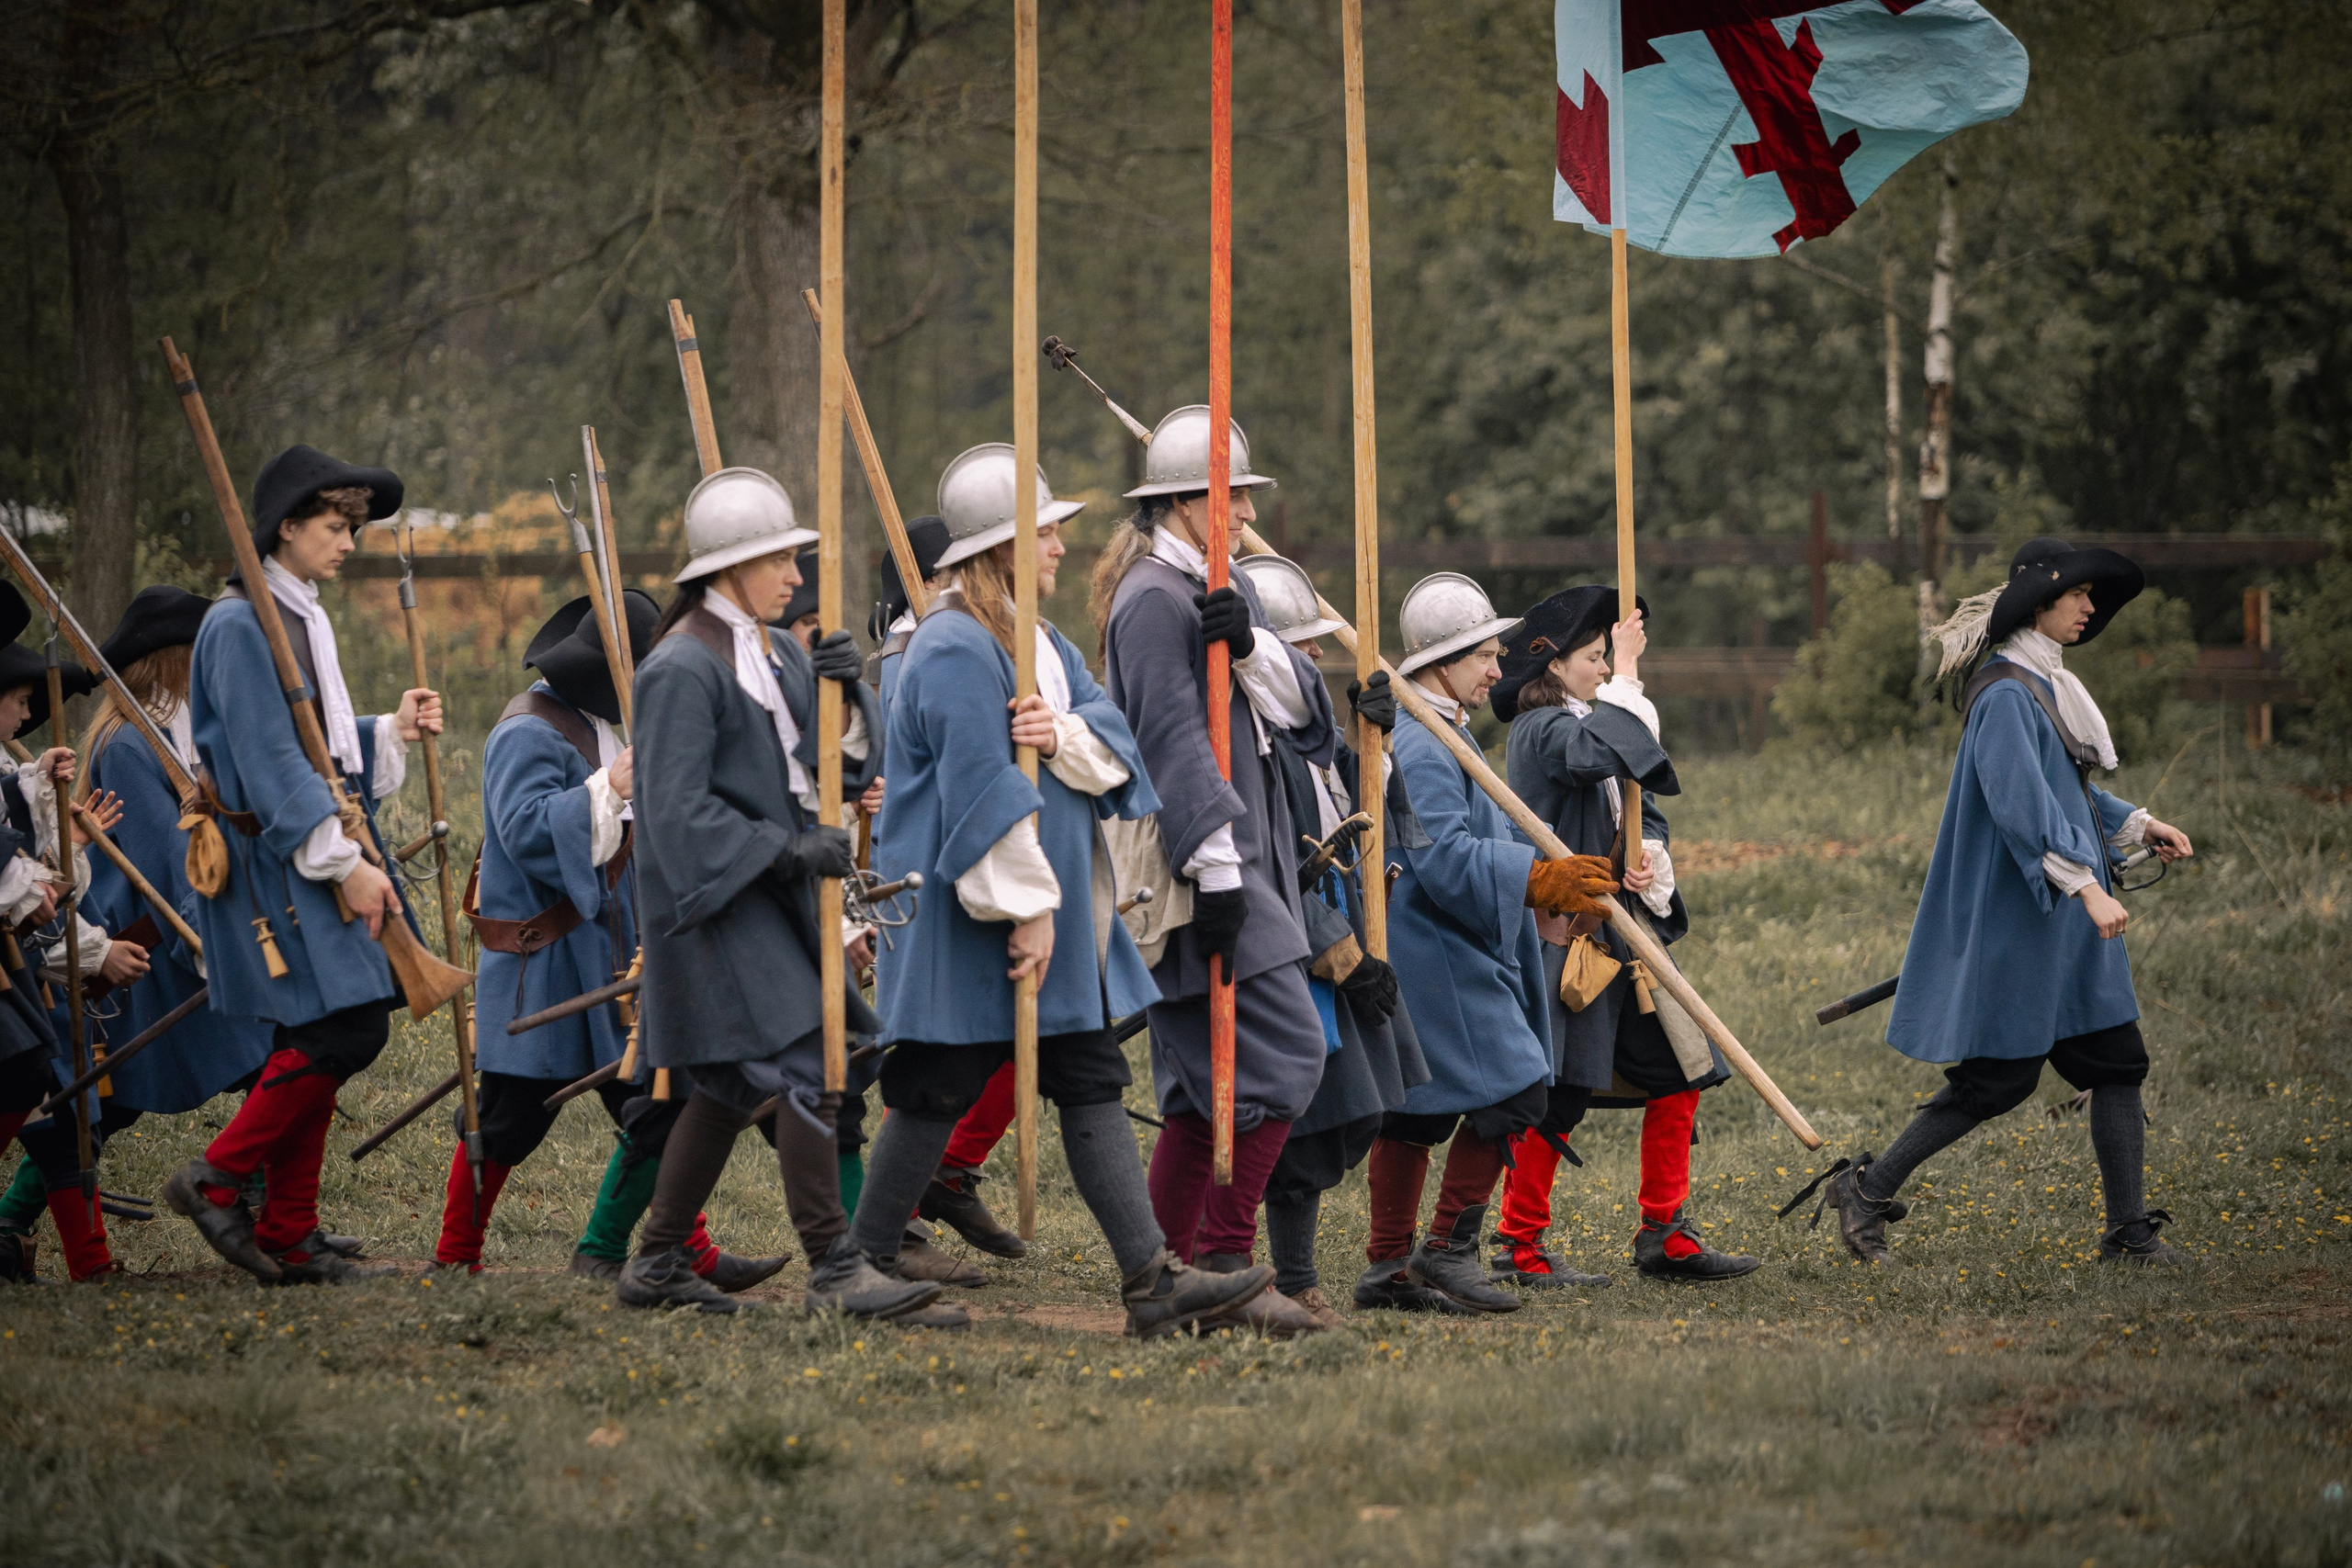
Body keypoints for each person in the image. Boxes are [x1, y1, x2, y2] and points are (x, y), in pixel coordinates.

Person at [851, 444, 1273, 1337]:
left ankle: (1150, 1282)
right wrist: (1031, 913)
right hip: (981, 911)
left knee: (1087, 1076)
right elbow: (981, 790)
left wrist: (1062, 728)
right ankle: (865, 1262)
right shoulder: (953, 644)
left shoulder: (1039, 639)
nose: (1058, 546)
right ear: (999, 544)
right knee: (935, 1084)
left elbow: (1115, 738)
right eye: (1042, 532)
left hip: (1057, 907)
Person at [1814, 538, 2194, 1266]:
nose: (2090, 607)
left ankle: (2129, 1233)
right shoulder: (2006, 695)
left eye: (2091, 597)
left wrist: (2138, 823)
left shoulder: (2045, 684)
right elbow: (2022, 807)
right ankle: (1866, 1190)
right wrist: (2086, 885)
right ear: (2040, 601)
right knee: (1998, 1080)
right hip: (2025, 917)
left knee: (2117, 1060)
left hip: (2066, 922)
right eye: (2079, 594)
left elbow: (2066, 787)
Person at [621, 464, 933, 1318]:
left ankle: (654, 1263)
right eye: (781, 560)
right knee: (807, 1060)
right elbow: (676, 816)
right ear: (729, 565)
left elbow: (842, 765)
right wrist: (791, 851)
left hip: (761, 897)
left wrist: (844, 688)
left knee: (727, 1086)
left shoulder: (760, 649)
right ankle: (836, 1268)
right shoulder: (681, 667)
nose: (798, 577)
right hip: (714, 906)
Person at [428, 588, 782, 1292]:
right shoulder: (528, 730)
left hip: (611, 954)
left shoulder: (603, 723)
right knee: (508, 1120)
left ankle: (670, 1248)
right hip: (546, 962)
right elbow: (527, 832)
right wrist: (606, 788)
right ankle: (453, 1254)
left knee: (657, 1104)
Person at [161, 445, 439, 1285]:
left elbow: (315, 742)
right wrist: (340, 859)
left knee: (320, 1029)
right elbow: (267, 760)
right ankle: (215, 1178)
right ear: (285, 528)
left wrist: (385, 730)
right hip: (280, 859)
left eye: (353, 526)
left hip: (308, 843)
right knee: (343, 1025)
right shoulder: (240, 624)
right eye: (333, 525)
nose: (349, 541)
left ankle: (290, 1228)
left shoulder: (296, 611)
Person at [1090, 405, 1337, 1338]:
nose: (1242, 513)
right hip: (1205, 862)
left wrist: (1252, 643)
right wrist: (1218, 868)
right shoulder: (1152, 597)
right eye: (1230, 498)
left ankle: (1167, 1289)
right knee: (1288, 1057)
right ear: (1187, 502)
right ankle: (1229, 1267)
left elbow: (1306, 710)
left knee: (1202, 1095)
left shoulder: (1225, 587)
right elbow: (1168, 740)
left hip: (1254, 846)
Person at [1355, 573, 1617, 1315]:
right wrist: (1537, 883)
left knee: (1423, 1112)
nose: (1499, 671)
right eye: (1484, 657)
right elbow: (1441, 857)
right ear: (1443, 662)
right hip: (1433, 945)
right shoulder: (1420, 740)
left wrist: (1555, 898)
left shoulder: (1448, 729)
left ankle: (1388, 1270)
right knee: (1517, 1088)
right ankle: (1442, 1252)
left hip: (1451, 937)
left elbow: (1489, 830)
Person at [1493, 587, 1759, 1284]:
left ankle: (1664, 1232)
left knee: (1678, 1070)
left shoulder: (1592, 718)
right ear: (1551, 668)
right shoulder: (1543, 730)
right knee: (1560, 1093)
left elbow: (1634, 794)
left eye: (1607, 656)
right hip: (1567, 938)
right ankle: (1518, 1244)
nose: (1604, 667)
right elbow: (1597, 752)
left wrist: (1651, 855)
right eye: (1593, 657)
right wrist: (1632, 679)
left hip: (1624, 934)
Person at [1230, 552, 1429, 1328]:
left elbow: (1369, 815)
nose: (1312, 659)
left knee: (1320, 1115)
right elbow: (1271, 865)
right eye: (1300, 648)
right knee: (1283, 1114)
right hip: (1291, 946)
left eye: (1314, 648)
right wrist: (1340, 956)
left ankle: (1293, 1271)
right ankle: (1246, 1265)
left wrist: (1370, 735)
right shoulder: (1251, 746)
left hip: (1335, 934)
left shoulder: (1306, 742)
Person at [865, 512, 1032, 1268]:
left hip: (983, 849)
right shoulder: (921, 649)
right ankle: (888, 1229)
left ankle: (944, 1179)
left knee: (1014, 1045)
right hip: (939, 862)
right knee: (940, 1059)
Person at [0, 585, 142, 1281]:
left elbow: (59, 885)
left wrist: (67, 831)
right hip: (25, 965)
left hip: (29, 967)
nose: (27, 712)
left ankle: (90, 1262)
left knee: (65, 1126)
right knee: (30, 1085)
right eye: (18, 699)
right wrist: (95, 951)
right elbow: (27, 891)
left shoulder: (12, 772)